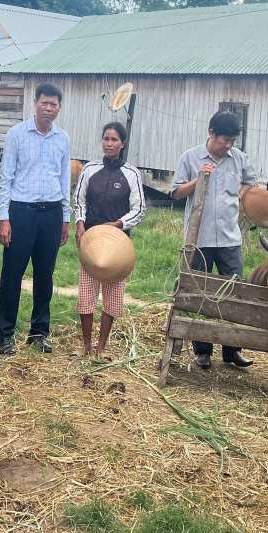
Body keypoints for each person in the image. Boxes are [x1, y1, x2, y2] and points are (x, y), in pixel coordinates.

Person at [171, 110, 256, 370]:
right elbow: (174, 192)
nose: (228, 145)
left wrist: (237, 198)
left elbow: (250, 182)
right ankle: (203, 351)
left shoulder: (238, 158)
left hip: (230, 238)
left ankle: (232, 351)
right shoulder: (191, 157)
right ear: (211, 134)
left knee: (234, 293)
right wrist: (198, 180)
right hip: (200, 238)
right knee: (201, 293)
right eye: (224, 140)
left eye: (232, 140)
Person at [0, 83, 71, 356]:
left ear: (59, 108)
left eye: (54, 104)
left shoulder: (62, 138)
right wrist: (5, 218)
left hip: (50, 213)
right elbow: (6, 178)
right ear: (35, 103)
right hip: (21, 212)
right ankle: (4, 334)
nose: (49, 108)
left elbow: (64, 180)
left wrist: (65, 217)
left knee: (44, 275)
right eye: (44, 103)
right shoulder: (17, 134)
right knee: (12, 275)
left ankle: (39, 332)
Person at [73, 122, 146, 357]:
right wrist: (80, 224)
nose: (109, 144)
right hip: (91, 243)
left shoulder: (132, 174)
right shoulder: (90, 170)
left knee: (113, 298)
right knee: (86, 296)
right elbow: (79, 200)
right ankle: (86, 345)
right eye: (106, 139)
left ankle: (101, 347)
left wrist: (116, 226)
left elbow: (139, 209)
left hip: (117, 245)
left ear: (122, 144)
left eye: (114, 140)